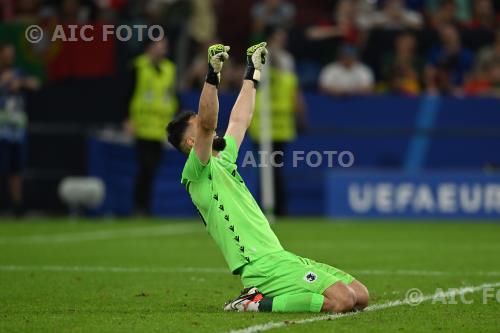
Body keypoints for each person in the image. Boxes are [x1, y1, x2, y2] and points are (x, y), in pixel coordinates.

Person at [166, 43, 369, 313]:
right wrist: (212, 76)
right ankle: (253, 303)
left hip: (278, 256)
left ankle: (259, 297)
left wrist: (252, 72)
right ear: (192, 143)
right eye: (200, 126)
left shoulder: (223, 160)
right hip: (260, 265)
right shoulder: (197, 171)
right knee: (342, 301)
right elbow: (207, 122)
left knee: (360, 295)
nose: (210, 128)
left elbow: (240, 120)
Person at [248, 29, 307, 216]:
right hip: (263, 128)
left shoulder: (286, 65)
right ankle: (271, 207)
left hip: (278, 129)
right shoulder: (257, 63)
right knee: (269, 169)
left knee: (272, 169)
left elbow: (294, 92)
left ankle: (274, 207)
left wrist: (300, 117)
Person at [124, 38, 178, 215]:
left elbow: (171, 97)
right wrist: (127, 118)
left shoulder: (170, 69)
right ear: (149, 48)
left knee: (152, 169)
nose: (162, 49)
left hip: (160, 128)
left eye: (164, 45)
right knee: (145, 167)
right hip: (142, 126)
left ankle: (145, 207)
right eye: (159, 46)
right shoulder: (138, 66)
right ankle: (139, 206)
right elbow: (125, 92)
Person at [0, 44, 40, 216]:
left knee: (16, 171)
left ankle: (17, 206)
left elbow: (36, 83)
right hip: (1, 130)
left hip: (17, 131)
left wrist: (20, 82)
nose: (9, 57)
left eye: (12, 54)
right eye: (6, 54)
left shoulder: (18, 72)